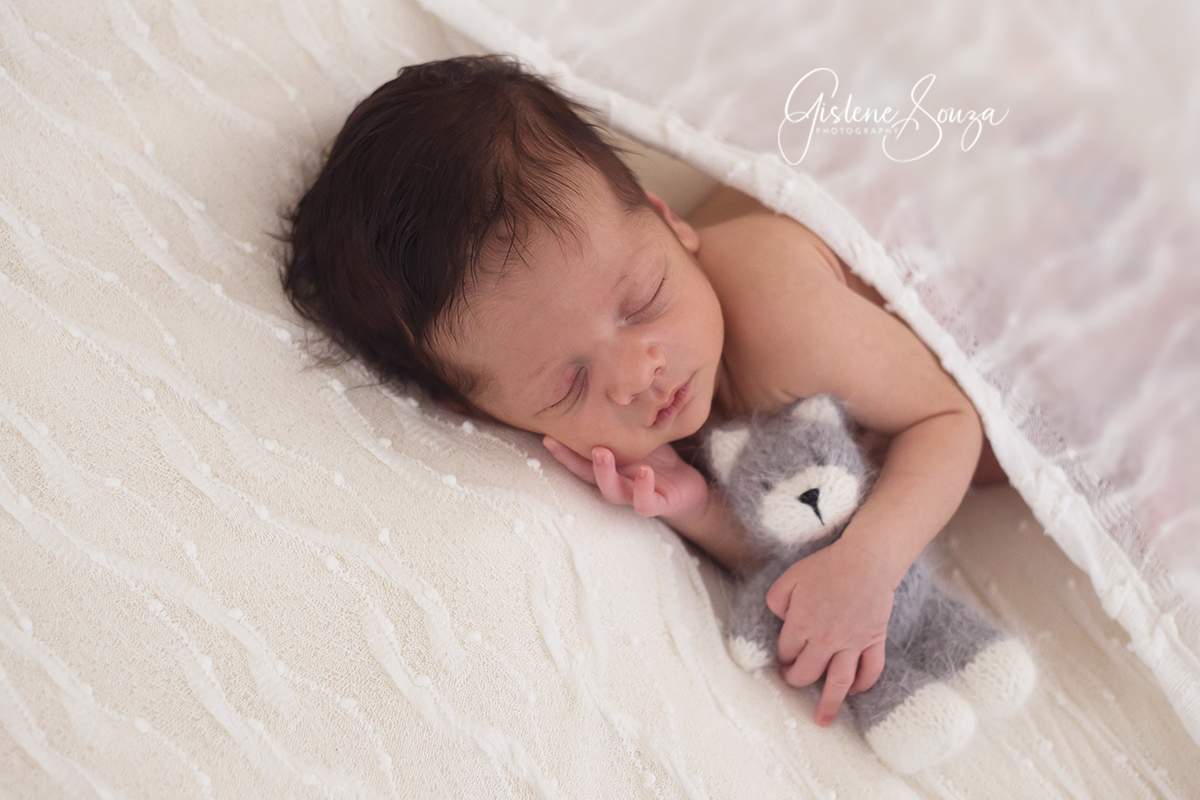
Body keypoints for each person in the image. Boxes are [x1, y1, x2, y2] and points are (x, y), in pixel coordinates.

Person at [279, 53, 1008, 729]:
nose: (637, 373)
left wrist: (871, 563)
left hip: (964, 219)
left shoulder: (783, 313)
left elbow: (950, 420)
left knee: (1011, 466)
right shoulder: (629, 441)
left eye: (642, 300)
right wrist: (697, 511)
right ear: (480, 412)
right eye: (570, 382)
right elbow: (788, 526)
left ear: (668, 223)